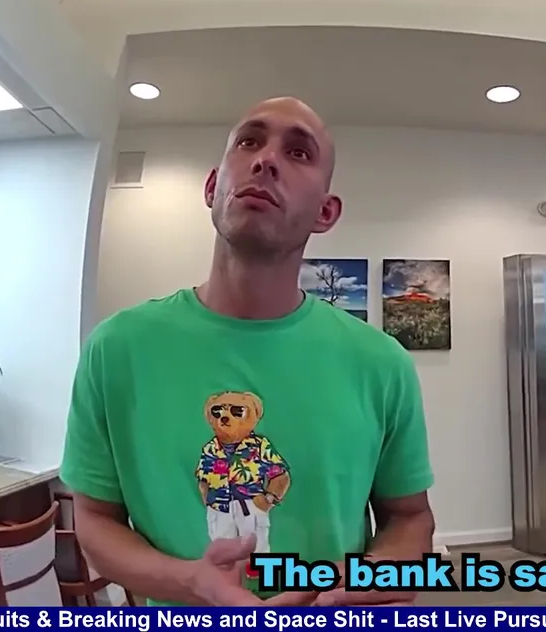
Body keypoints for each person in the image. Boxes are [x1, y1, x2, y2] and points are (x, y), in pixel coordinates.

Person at [60, 97, 436, 606]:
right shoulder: (116, 349)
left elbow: (410, 517)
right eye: (249, 142)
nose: (266, 160)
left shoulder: (382, 363)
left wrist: (369, 579)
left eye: (298, 153)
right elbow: (94, 519)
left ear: (325, 213)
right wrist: (191, 581)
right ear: (213, 187)